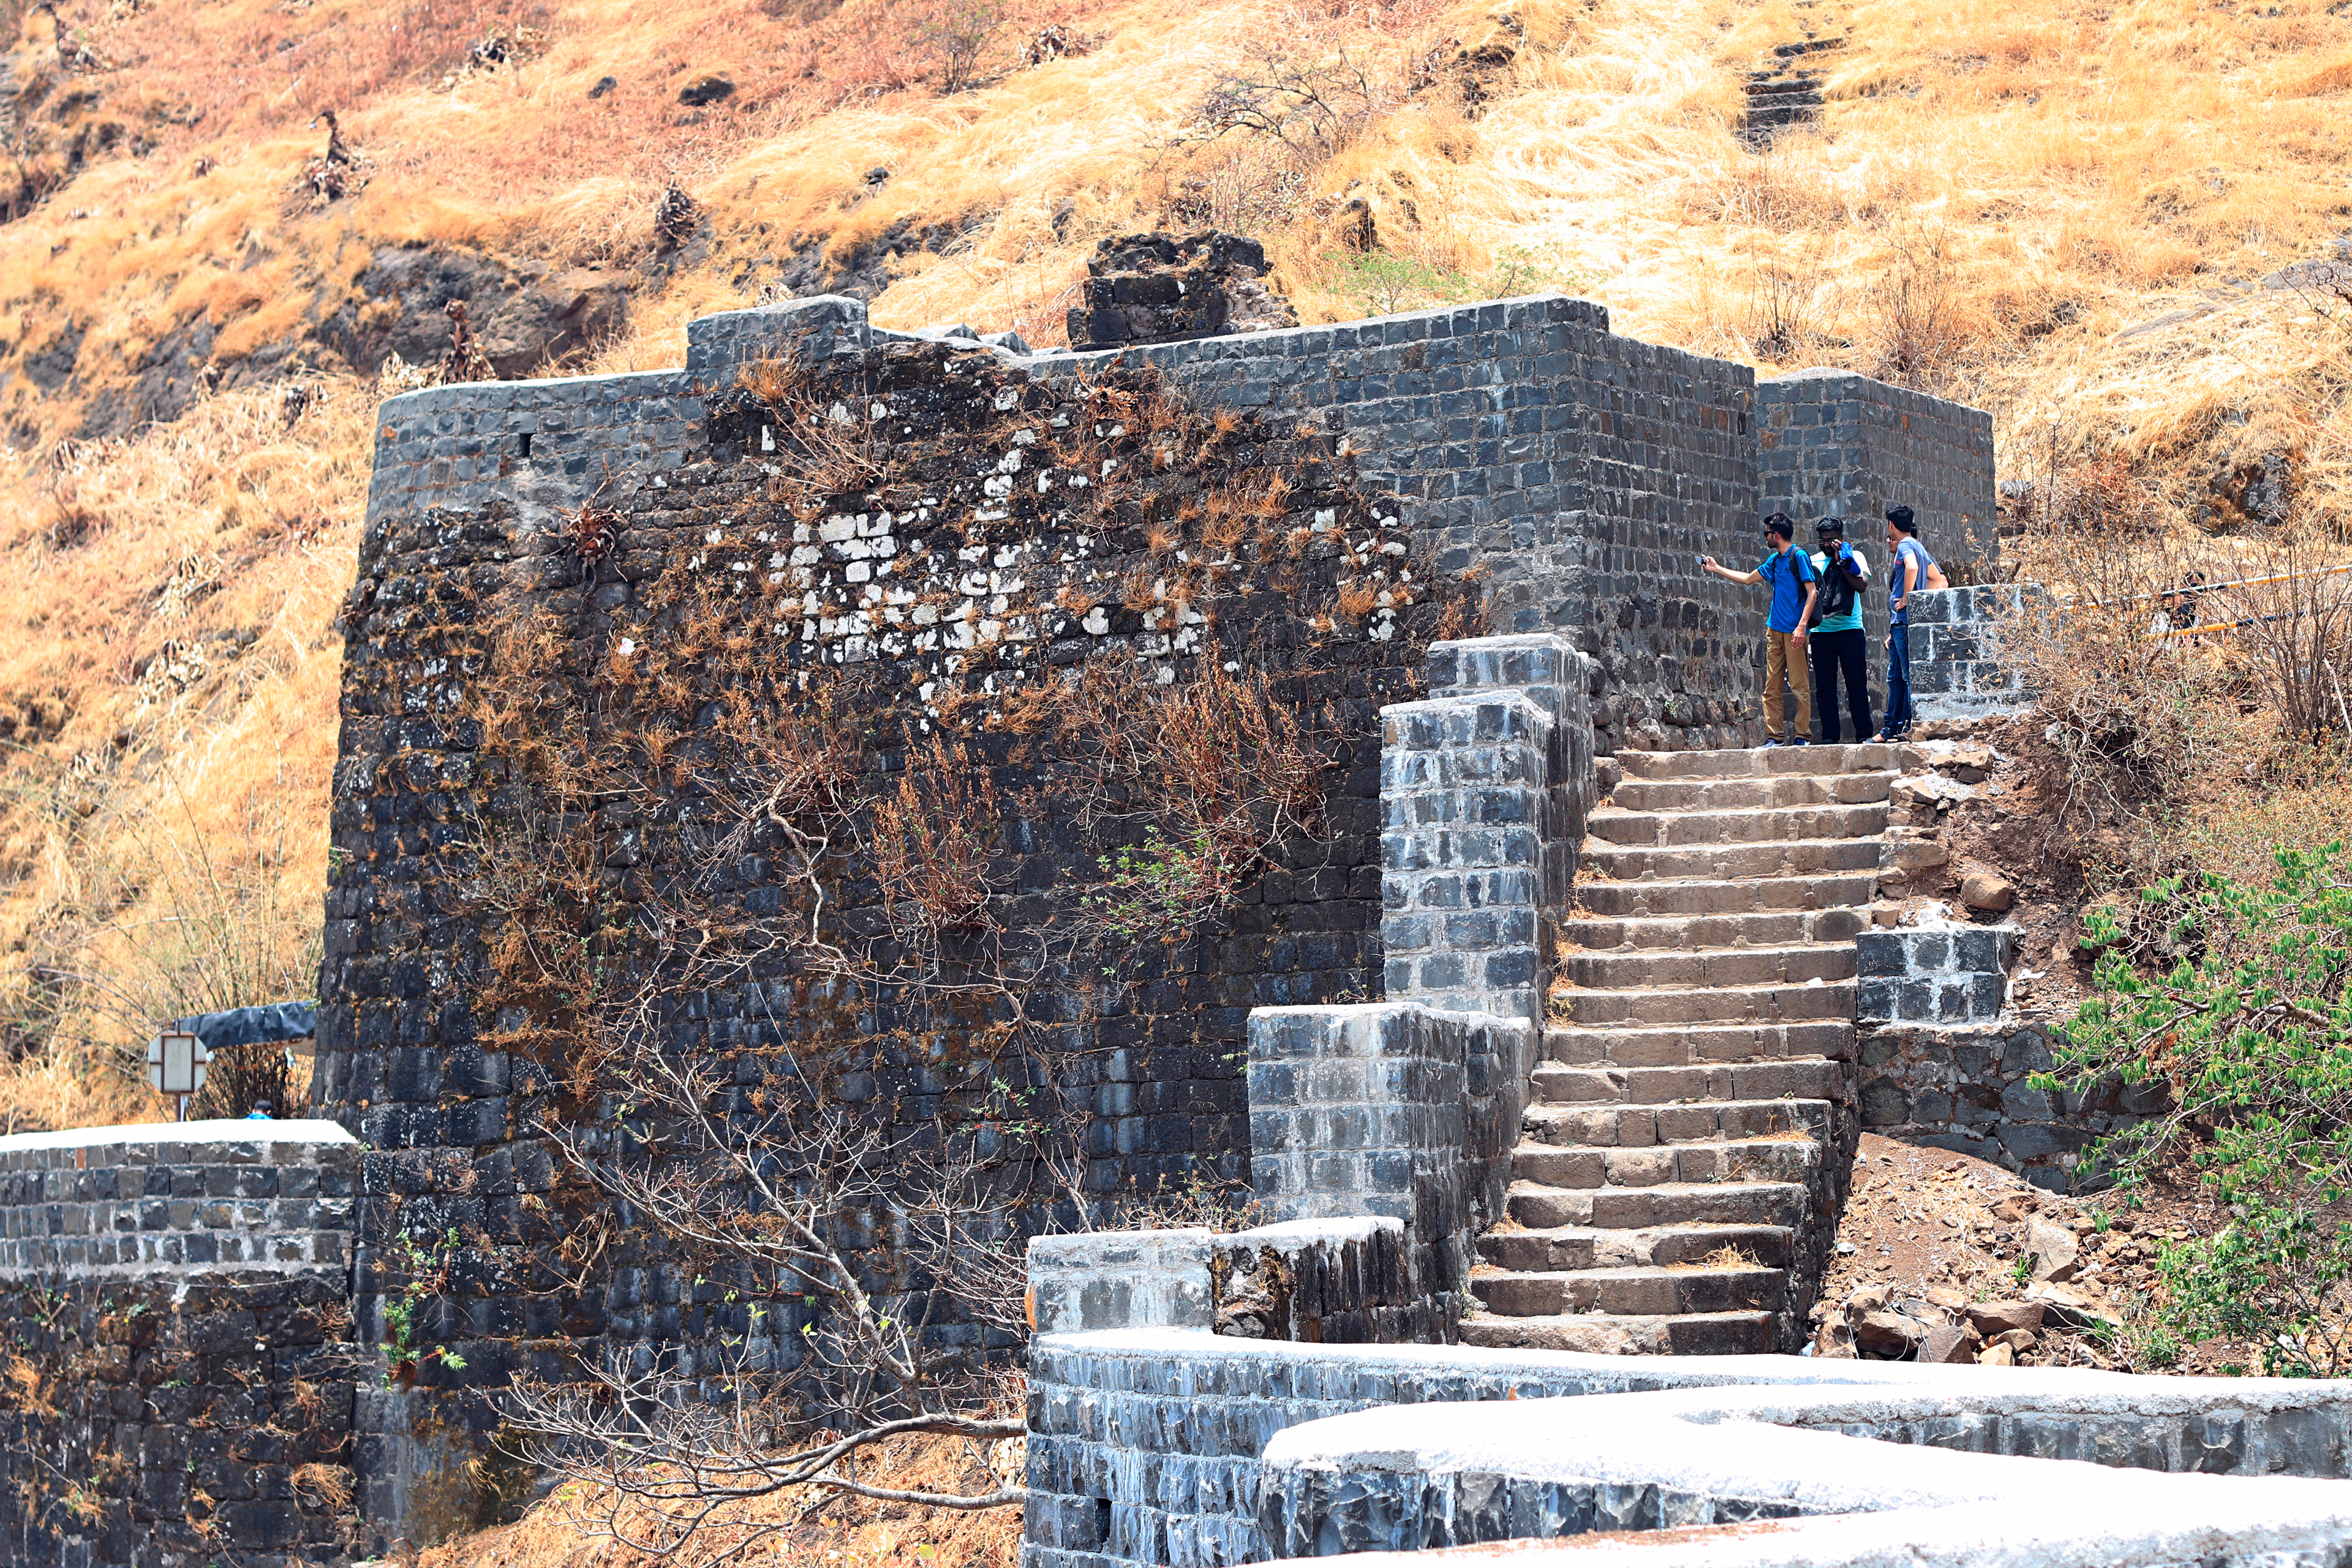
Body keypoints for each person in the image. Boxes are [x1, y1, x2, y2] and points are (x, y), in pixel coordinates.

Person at [1702, 513, 1818, 747]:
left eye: (1767, 533)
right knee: (1771, 687)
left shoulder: (1799, 556)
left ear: (1777, 535)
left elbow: (1812, 592)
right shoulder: (1774, 561)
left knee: (1799, 686)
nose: (1765, 537)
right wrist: (1716, 569)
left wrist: (1802, 626)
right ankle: (1775, 736)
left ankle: (1802, 736)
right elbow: (1748, 578)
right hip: (1774, 631)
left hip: (1795, 632)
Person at [1806, 517, 1874, 744]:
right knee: (1825, 688)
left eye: (1831, 540)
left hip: (1850, 630)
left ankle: (1864, 734)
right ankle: (1830, 736)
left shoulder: (1856, 557)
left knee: (1856, 684)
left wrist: (1842, 561)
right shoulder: (1812, 562)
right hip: (1821, 632)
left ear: (1841, 538)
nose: (1826, 545)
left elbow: (1861, 586)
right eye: (1822, 541)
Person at [1878, 505, 1942, 741]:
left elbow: (1912, 567)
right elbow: (1937, 578)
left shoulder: (1905, 545)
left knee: (1906, 677)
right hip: (1901, 623)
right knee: (1897, 677)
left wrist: (1907, 598)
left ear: (1891, 525)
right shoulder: (1918, 545)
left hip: (1903, 621)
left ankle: (1910, 726)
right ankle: (1894, 728)